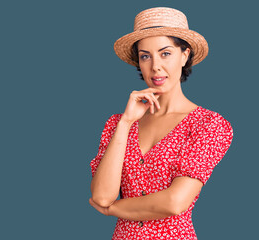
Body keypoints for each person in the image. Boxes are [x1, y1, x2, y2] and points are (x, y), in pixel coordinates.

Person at [89, 7, 233, 240]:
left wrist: (113, 210)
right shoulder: (117, 124)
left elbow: (176, 201)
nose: (155, 66)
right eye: (145, 56)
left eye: (165, 53)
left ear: (184, 55)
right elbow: (102, 196)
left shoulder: (209, 124)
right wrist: (126, 123)